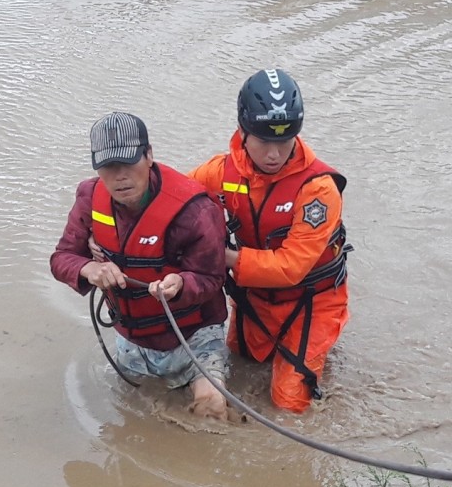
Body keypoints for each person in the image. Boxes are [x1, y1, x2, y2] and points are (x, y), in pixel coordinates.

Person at [188, 69, 350, 413]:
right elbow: (172, 200)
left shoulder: (318, 189)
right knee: (240, 363)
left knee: (289, 404)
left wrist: (224, 256)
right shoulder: (220, 173)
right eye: (264, 141)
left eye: (284, 141)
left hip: (312, 301)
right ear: (243, 133)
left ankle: (315, 358)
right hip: (255, 299)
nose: (274, 154)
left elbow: (291, 268)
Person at [50, 111, 231, 419]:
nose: (120, 176)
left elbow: (213, 277)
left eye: (128, 163)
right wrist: (89, 269)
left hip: (195, 337)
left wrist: (182, 285)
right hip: (132, 342)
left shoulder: (195, 210)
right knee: (132, 423)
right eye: (108, 166)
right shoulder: (89, 199)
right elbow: (61, 258)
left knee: (212, 411)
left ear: (148, 156)